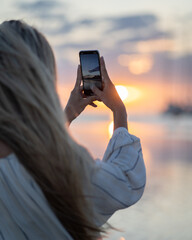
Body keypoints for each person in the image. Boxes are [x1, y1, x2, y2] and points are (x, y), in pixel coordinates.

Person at [0, 20, 146, 240]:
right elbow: (125, 181)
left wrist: (67, 113)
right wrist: (119, 110)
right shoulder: (58, 166)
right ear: (42, 77)